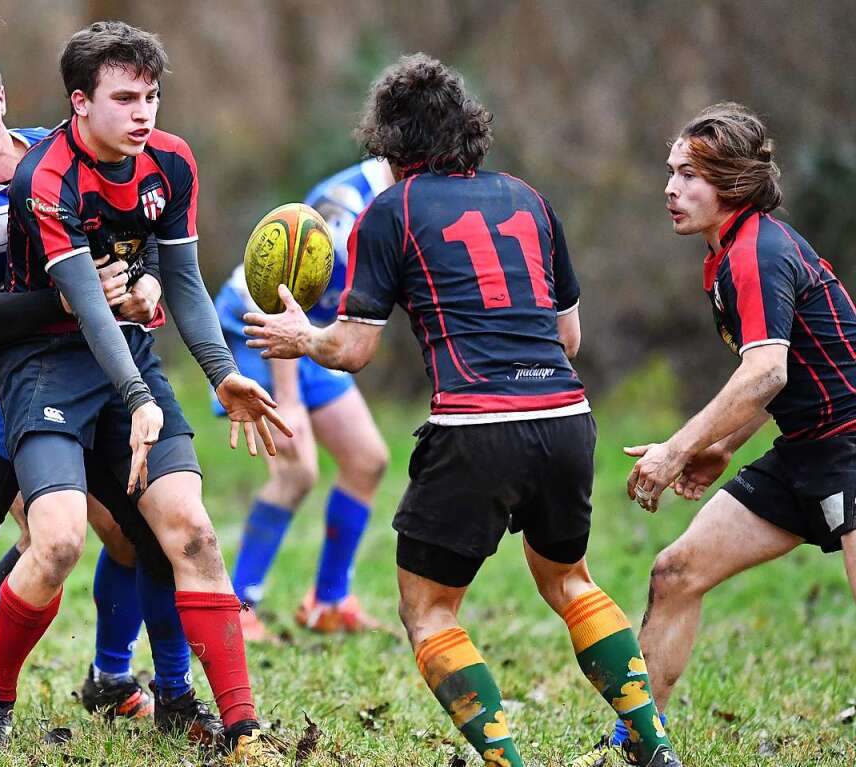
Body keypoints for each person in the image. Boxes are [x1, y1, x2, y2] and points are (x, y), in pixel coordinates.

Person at [244, 53, 682, 767]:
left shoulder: (392, 211)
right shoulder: (529, 199)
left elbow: (353, 352)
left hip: (476, 430)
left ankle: (506, 760)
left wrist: (300, 336)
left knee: (430, 610)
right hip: (567, 419)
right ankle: (654, 745)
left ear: (389, 146)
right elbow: (568, 337)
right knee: (571, 580)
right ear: (467, 132)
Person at [0, 20, 220, 743]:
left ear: (5, 96)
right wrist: (73, 296)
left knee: (127, 533)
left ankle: (117, 677)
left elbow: (134, 251)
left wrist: (138, 289)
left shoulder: (65, 155)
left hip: (89, 372)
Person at [0, 21, 289, 759]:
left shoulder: (172, 163)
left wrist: (222, 370)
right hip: (44, 367)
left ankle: (241, 730)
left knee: (192, 530)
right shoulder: (45, 177)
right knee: (55, 542)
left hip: (130, 361)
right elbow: (88, 305)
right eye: (124, 98)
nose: (143, 112)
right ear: (80, 103)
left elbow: (180, 280)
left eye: (150, 95)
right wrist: (140, 399)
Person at [580, 102, 856, 766]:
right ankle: (640, 741)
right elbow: (782, 370)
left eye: (690, 175)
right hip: (806, 450)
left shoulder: (757, 251)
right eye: (670, 171)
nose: (671, 189)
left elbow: (765, 371)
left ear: (732, 184)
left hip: (851, 443)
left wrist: (676, 449)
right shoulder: (728, 254)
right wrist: (725, 444)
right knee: (676, 572)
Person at [214, 160, 392, 641]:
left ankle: (328, 602)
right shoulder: (344, 206)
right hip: (259, 325)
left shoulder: (412, 201)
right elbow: (282, 299)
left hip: (311, 334)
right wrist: (288, 400)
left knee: (367, 460)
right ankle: (237, 605)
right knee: (297, 469)